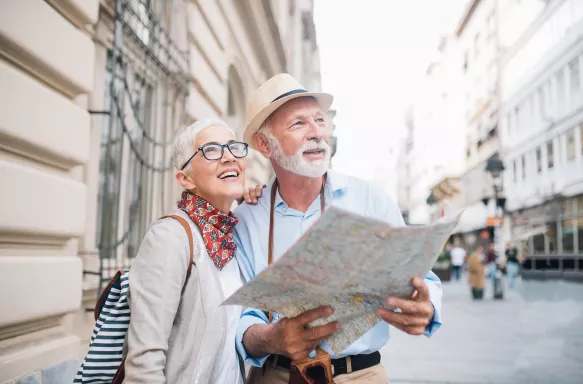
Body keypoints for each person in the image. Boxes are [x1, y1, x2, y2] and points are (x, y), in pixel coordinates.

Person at [234, 73, 443, 383]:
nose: (317, 133)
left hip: (360, 376)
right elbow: (237, 319)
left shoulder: (370, 198)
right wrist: (272, 337)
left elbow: (420, 275)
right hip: (275, 376)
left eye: (320, 120)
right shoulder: (247, 217)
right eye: (299, 124)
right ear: (265, 144)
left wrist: (426, 304)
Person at [124, 119, 249, 383]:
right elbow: (144, 361)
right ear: (185, 179)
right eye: (212, 150)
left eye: (234, 147)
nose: (229, 157)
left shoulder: (233, 237)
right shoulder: (170, 237)